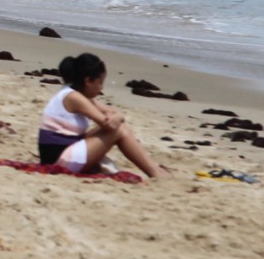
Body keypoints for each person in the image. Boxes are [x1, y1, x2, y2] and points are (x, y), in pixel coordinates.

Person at [38, 53, 167, 180]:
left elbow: (110, 112)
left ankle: (154, 169)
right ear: (88, 81)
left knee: (120, 127)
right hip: (59, 159)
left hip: (64, 150)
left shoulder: (78, 94)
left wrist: (117, 116)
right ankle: (155, 172)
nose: (101, 88)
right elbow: (108, 124)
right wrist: (118, 117)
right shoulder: (74, 97)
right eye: (100, 82)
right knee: (119, 130)